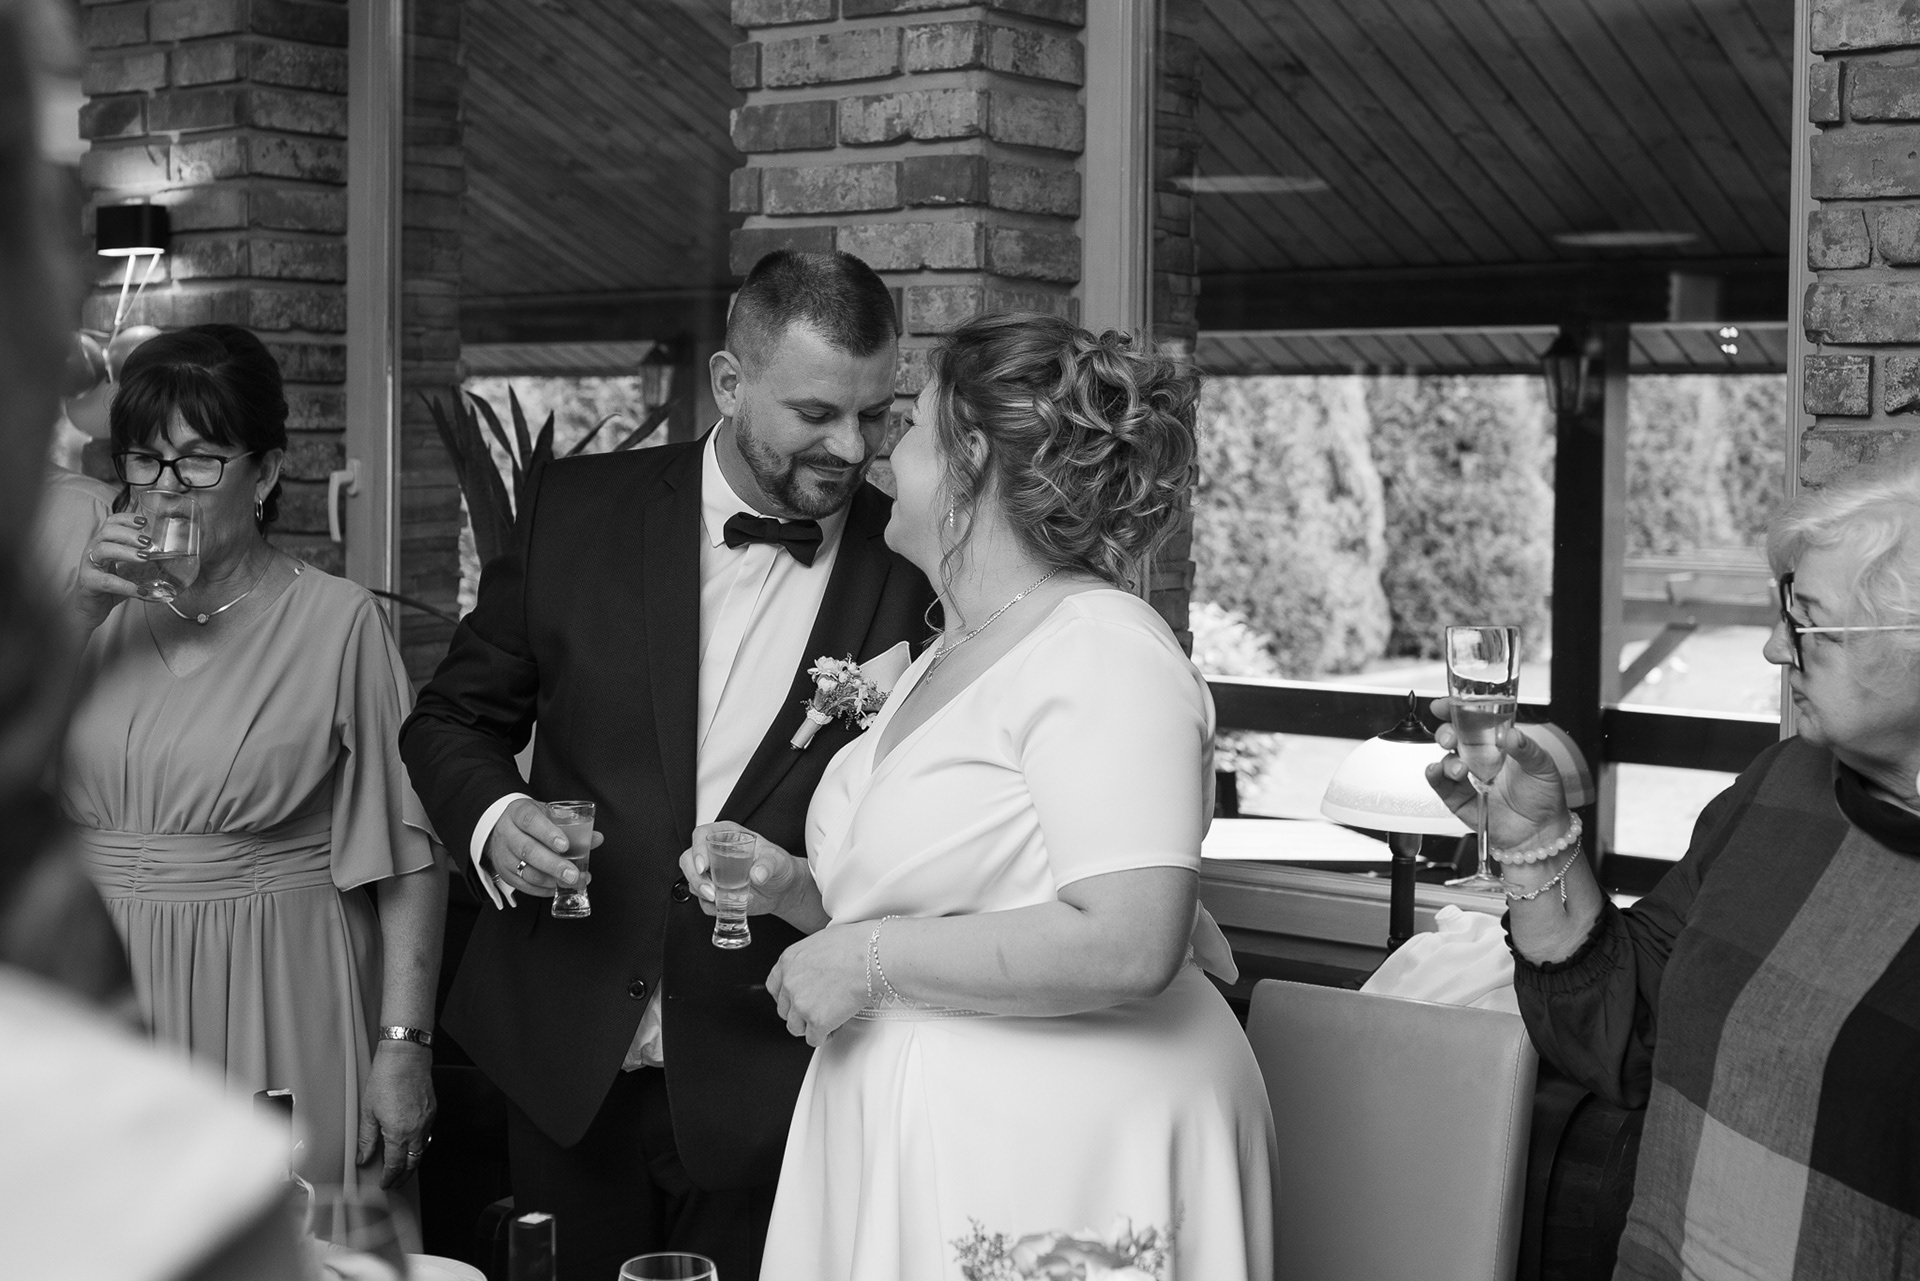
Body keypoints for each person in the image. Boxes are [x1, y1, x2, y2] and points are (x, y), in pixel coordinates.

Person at [682, 313, 1278, 1280]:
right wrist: (793, 887)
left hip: (1057, 1153)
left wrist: (865, 960)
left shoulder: (1103, 647)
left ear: (969, 461)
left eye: (910, 426)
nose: (880, 451)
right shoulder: (946, 651)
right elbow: (956, 908)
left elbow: (1130, 940)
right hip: (923, 1130)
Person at [401, 249, 938, 1280]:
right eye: (817, 412)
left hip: (774, 1073)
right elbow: (451, 720)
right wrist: (496, 818)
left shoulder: (915, 564)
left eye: (876, 414)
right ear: (729, 383)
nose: (852, 447)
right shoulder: (571, 511)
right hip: (565, 1055)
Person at [1427, 450, 1920, 1280]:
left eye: (1808, 621)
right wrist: (1533, 840)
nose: (1774, 647)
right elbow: (1632, 1032)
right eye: (1784, 609)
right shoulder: (1780, 787)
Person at [62, 323, 445, 1192]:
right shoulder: (87, 615)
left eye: (199, 462)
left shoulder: (340, 624)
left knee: (285, 1235)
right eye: (144, 460)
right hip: (103, 990)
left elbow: (409, 857)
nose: (166, 490)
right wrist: (74, 615)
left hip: (277, 978)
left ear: (266, 473)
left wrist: (403, 1046)